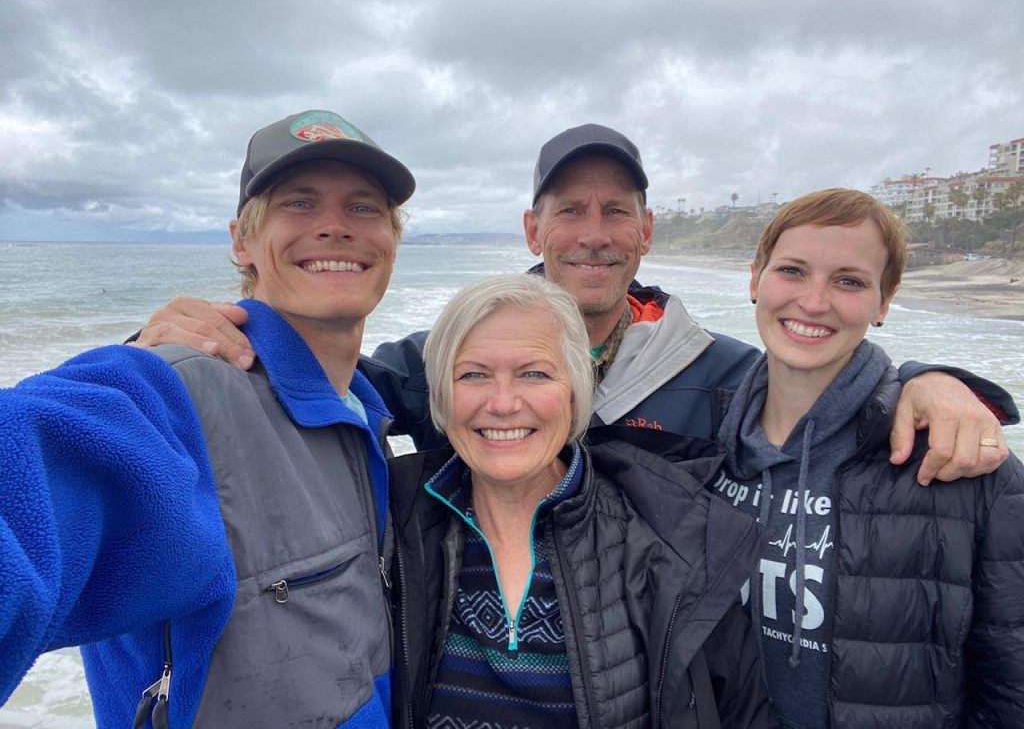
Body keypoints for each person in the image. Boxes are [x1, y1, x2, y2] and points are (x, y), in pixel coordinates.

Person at [133, 124, 1016, 483]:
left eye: (615, 213)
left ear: (646, 233)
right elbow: (309, 389)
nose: (593, 234)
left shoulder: (725, 375)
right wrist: (166, 345)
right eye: (570, 211)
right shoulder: (451, 357)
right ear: (534, 228)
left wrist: (925, 381)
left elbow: (825, 406)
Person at [0, 109, 414, 727]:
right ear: (241, 241)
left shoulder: (375, 414)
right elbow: (33, 468)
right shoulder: (171, 397)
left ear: (391, 238)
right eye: (299, 204)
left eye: (363, 208)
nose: (334, 227)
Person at [389, 273, 774, 728]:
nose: (504, 403)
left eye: (534, 373)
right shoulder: (390, 518)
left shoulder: (673, 542)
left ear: (574, 391)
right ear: (440, 395)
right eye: (473, 374)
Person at [713, 188, 1024, 727]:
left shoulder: (962, 463)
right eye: (792, 271)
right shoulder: (708, 443)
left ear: (884, 302)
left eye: (848, 281)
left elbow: (1012, 684)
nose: (813, 302)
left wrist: (929, 378)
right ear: (755, 278)